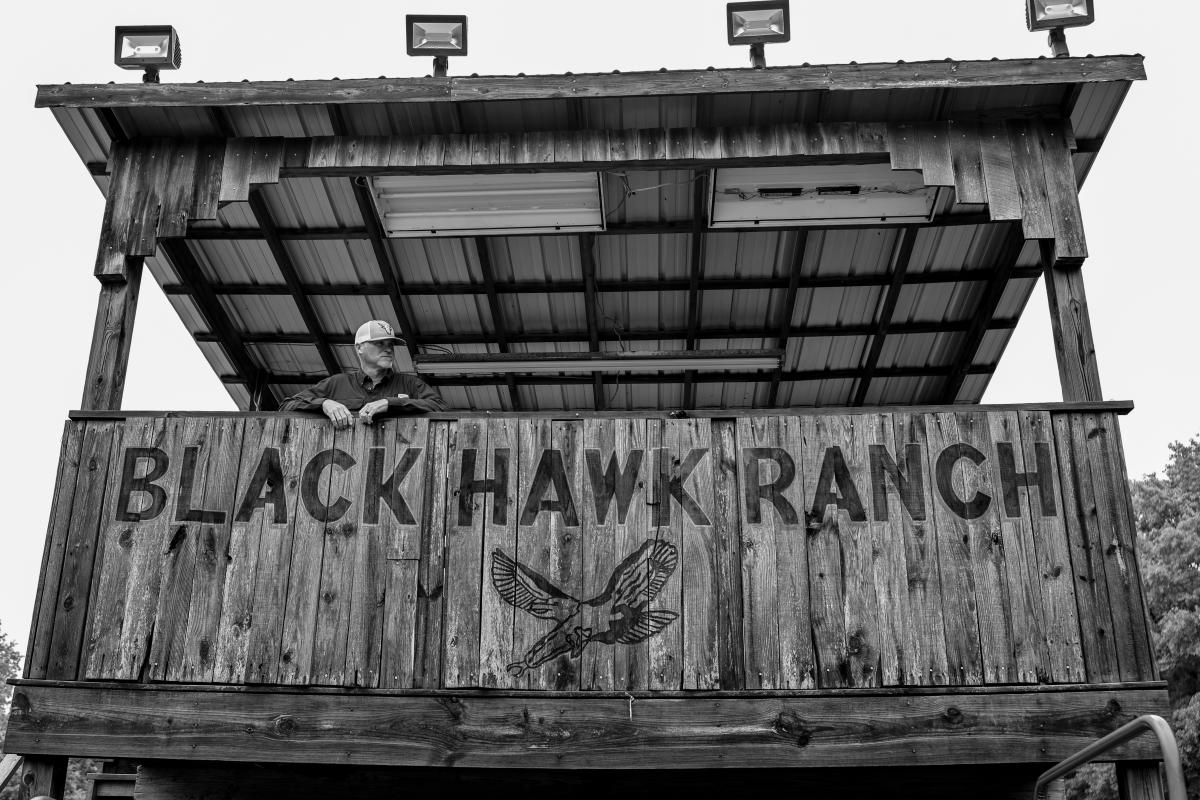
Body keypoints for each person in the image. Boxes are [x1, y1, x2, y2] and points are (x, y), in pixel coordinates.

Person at [279, 320, 446, 427]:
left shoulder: (410, 383)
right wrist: (324, 404)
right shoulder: (337, 383)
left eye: (391, 344)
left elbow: (440, 407)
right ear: (359, 347)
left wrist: (389, 403)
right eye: (380, 343)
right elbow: (287, 406)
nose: (388, 349)